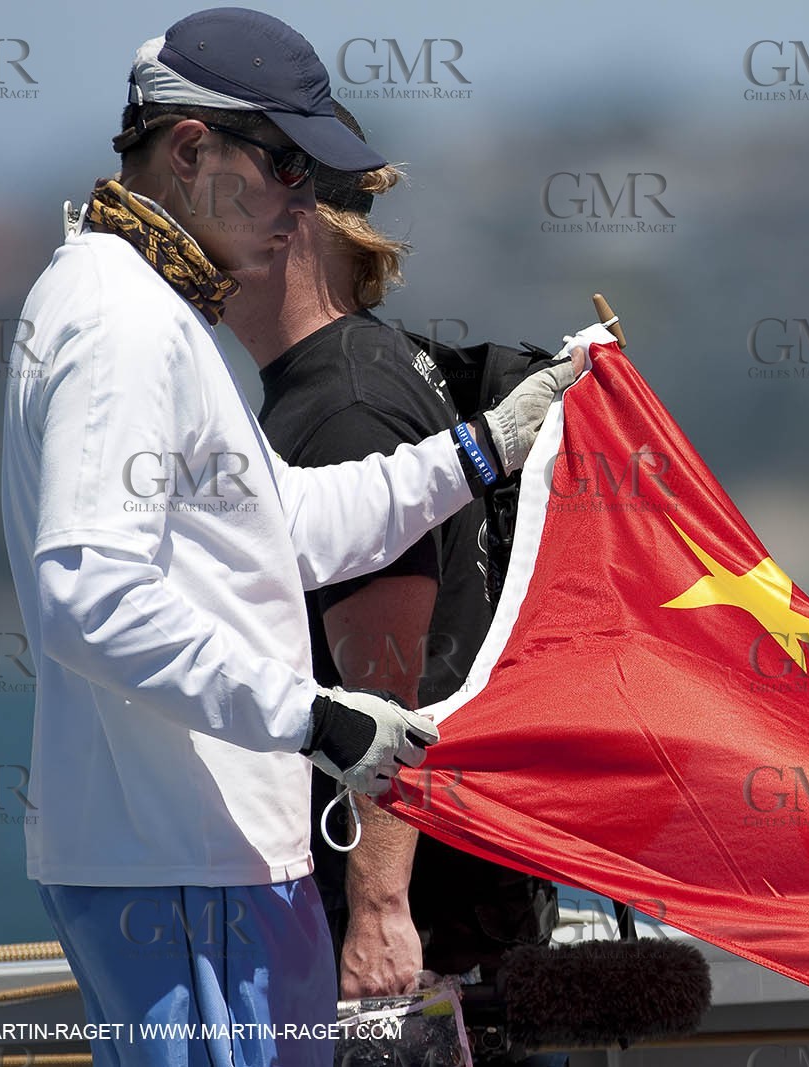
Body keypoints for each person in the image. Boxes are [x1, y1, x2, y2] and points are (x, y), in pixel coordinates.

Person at [0, 10, 576, 1067]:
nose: (306, 200)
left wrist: (484, 448)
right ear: (190, 150)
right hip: (179, 871)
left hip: (202, 865)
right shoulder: (124, 324)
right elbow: (89, 589)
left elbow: (283, 529)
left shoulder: (155, 312)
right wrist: (312, 714)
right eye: (286, 163)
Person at [223, 105, 566, 1065]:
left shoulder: (345, 405)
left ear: (295, 226)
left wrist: (377, 912)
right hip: (461, 920)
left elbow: (385, 685)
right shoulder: (367, 370)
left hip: (406, 951)